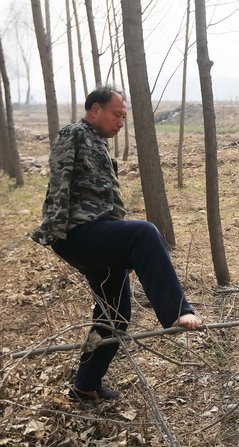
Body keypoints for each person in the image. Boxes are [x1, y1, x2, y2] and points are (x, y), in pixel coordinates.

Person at [32, 86, 202, 401]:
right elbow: (59, 185)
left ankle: (85, 385)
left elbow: (105, 202)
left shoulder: (97, 144)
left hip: (100, 233)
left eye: (124, 117)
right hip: (78, 234)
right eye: (117, 114)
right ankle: (177, 310)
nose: (121, 122)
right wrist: (54, 233)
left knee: (115, 314)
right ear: (95, 109)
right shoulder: (73, 135)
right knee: (144, 233)